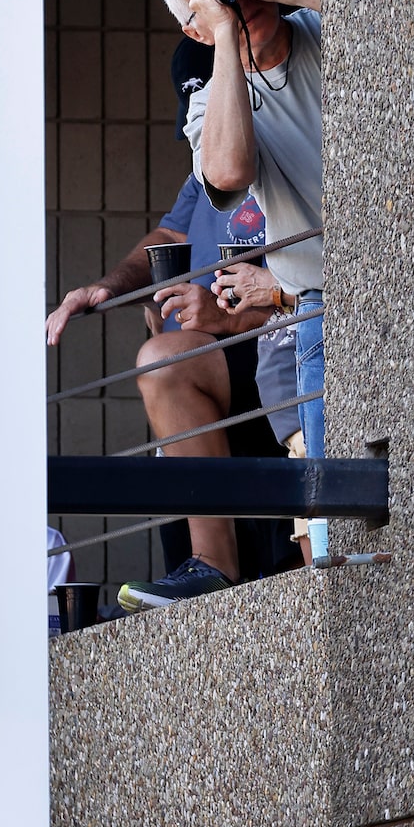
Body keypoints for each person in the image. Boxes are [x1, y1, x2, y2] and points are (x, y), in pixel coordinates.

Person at [46, 60, 303, 606]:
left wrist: (230, 310)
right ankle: (208, 565)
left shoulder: (298, 134)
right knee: (162, 362)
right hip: (217, 362)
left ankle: (218, 565)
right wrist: (109, 287)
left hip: (287, 346)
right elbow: (170, 231)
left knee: (165, 358)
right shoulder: (203, 163)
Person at [159, 0, 324, 457]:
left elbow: (403, 14)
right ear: (194, 30)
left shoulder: (321, 24)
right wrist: (226, 33)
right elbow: (229, 172)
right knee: (354, 523)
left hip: (410, 278)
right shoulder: (210, 106)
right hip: (320, 308)